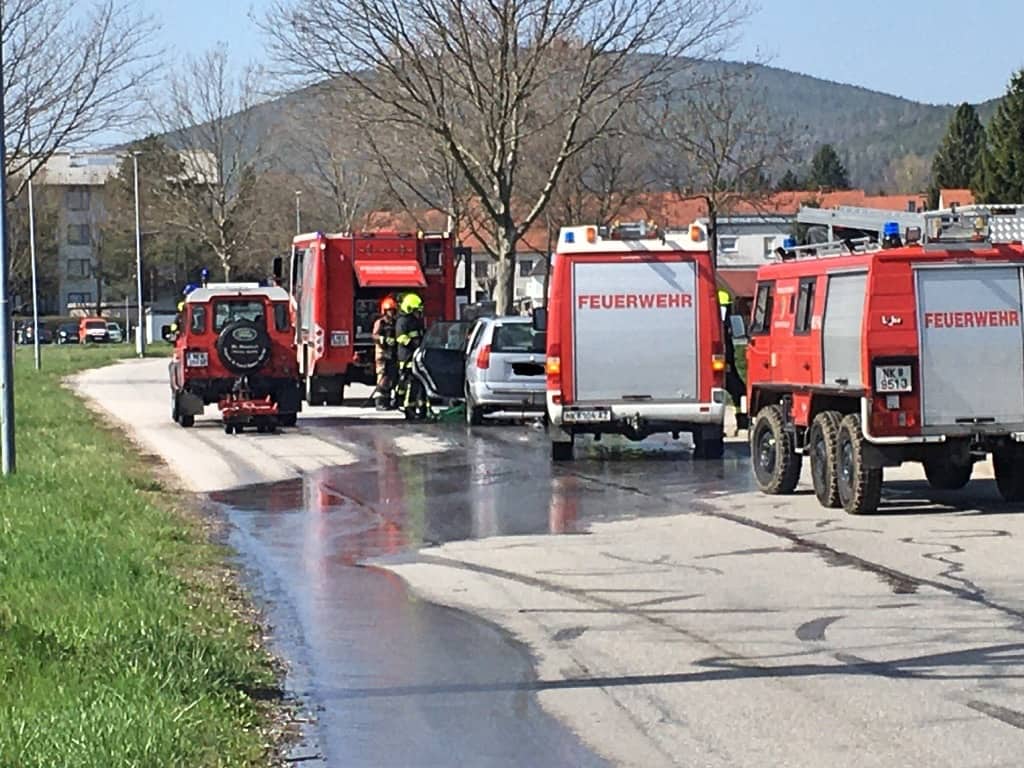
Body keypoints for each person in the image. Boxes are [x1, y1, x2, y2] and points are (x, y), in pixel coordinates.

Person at [719, 289, 749, 432]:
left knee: (739, 391)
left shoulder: (723, 325)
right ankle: (741, 421)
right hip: (725, 363)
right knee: (738, 391)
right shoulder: (721, 327)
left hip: (726, 363)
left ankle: (741, 420)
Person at [396, 293, 427, 418]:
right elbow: (401, 337)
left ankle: (421, 407)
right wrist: (414, 344)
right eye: (416, 310)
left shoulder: (415, 321)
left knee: (419, 383)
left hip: (416, 356)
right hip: (407, 357)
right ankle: (408, 408)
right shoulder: (403, 321)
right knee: (410, 383)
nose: (418, 313)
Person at [372, 296, 399, 410]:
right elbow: (374, 335)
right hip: (382, 354)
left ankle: (387, 401)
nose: (391, 313)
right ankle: (379, 402)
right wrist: (384, 339)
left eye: (393, 310)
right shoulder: (380, 322)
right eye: (389, 311)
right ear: (384, 311)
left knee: (391, 377)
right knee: (382, 377)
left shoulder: (396, 323)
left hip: (392, 353)